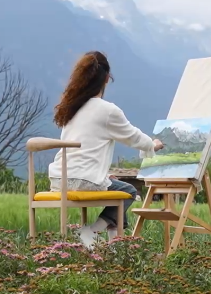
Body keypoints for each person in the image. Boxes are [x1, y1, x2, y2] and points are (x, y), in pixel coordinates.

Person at [49, 51, 164, 248]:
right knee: (128, 191)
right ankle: (91, 231)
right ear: (106, 79)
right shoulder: (107, 110)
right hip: (82, 179)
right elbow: (133, 136)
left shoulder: (73, 108)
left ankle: (114, 247)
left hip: (60, 178)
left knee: (116, 187)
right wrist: (152, 145)